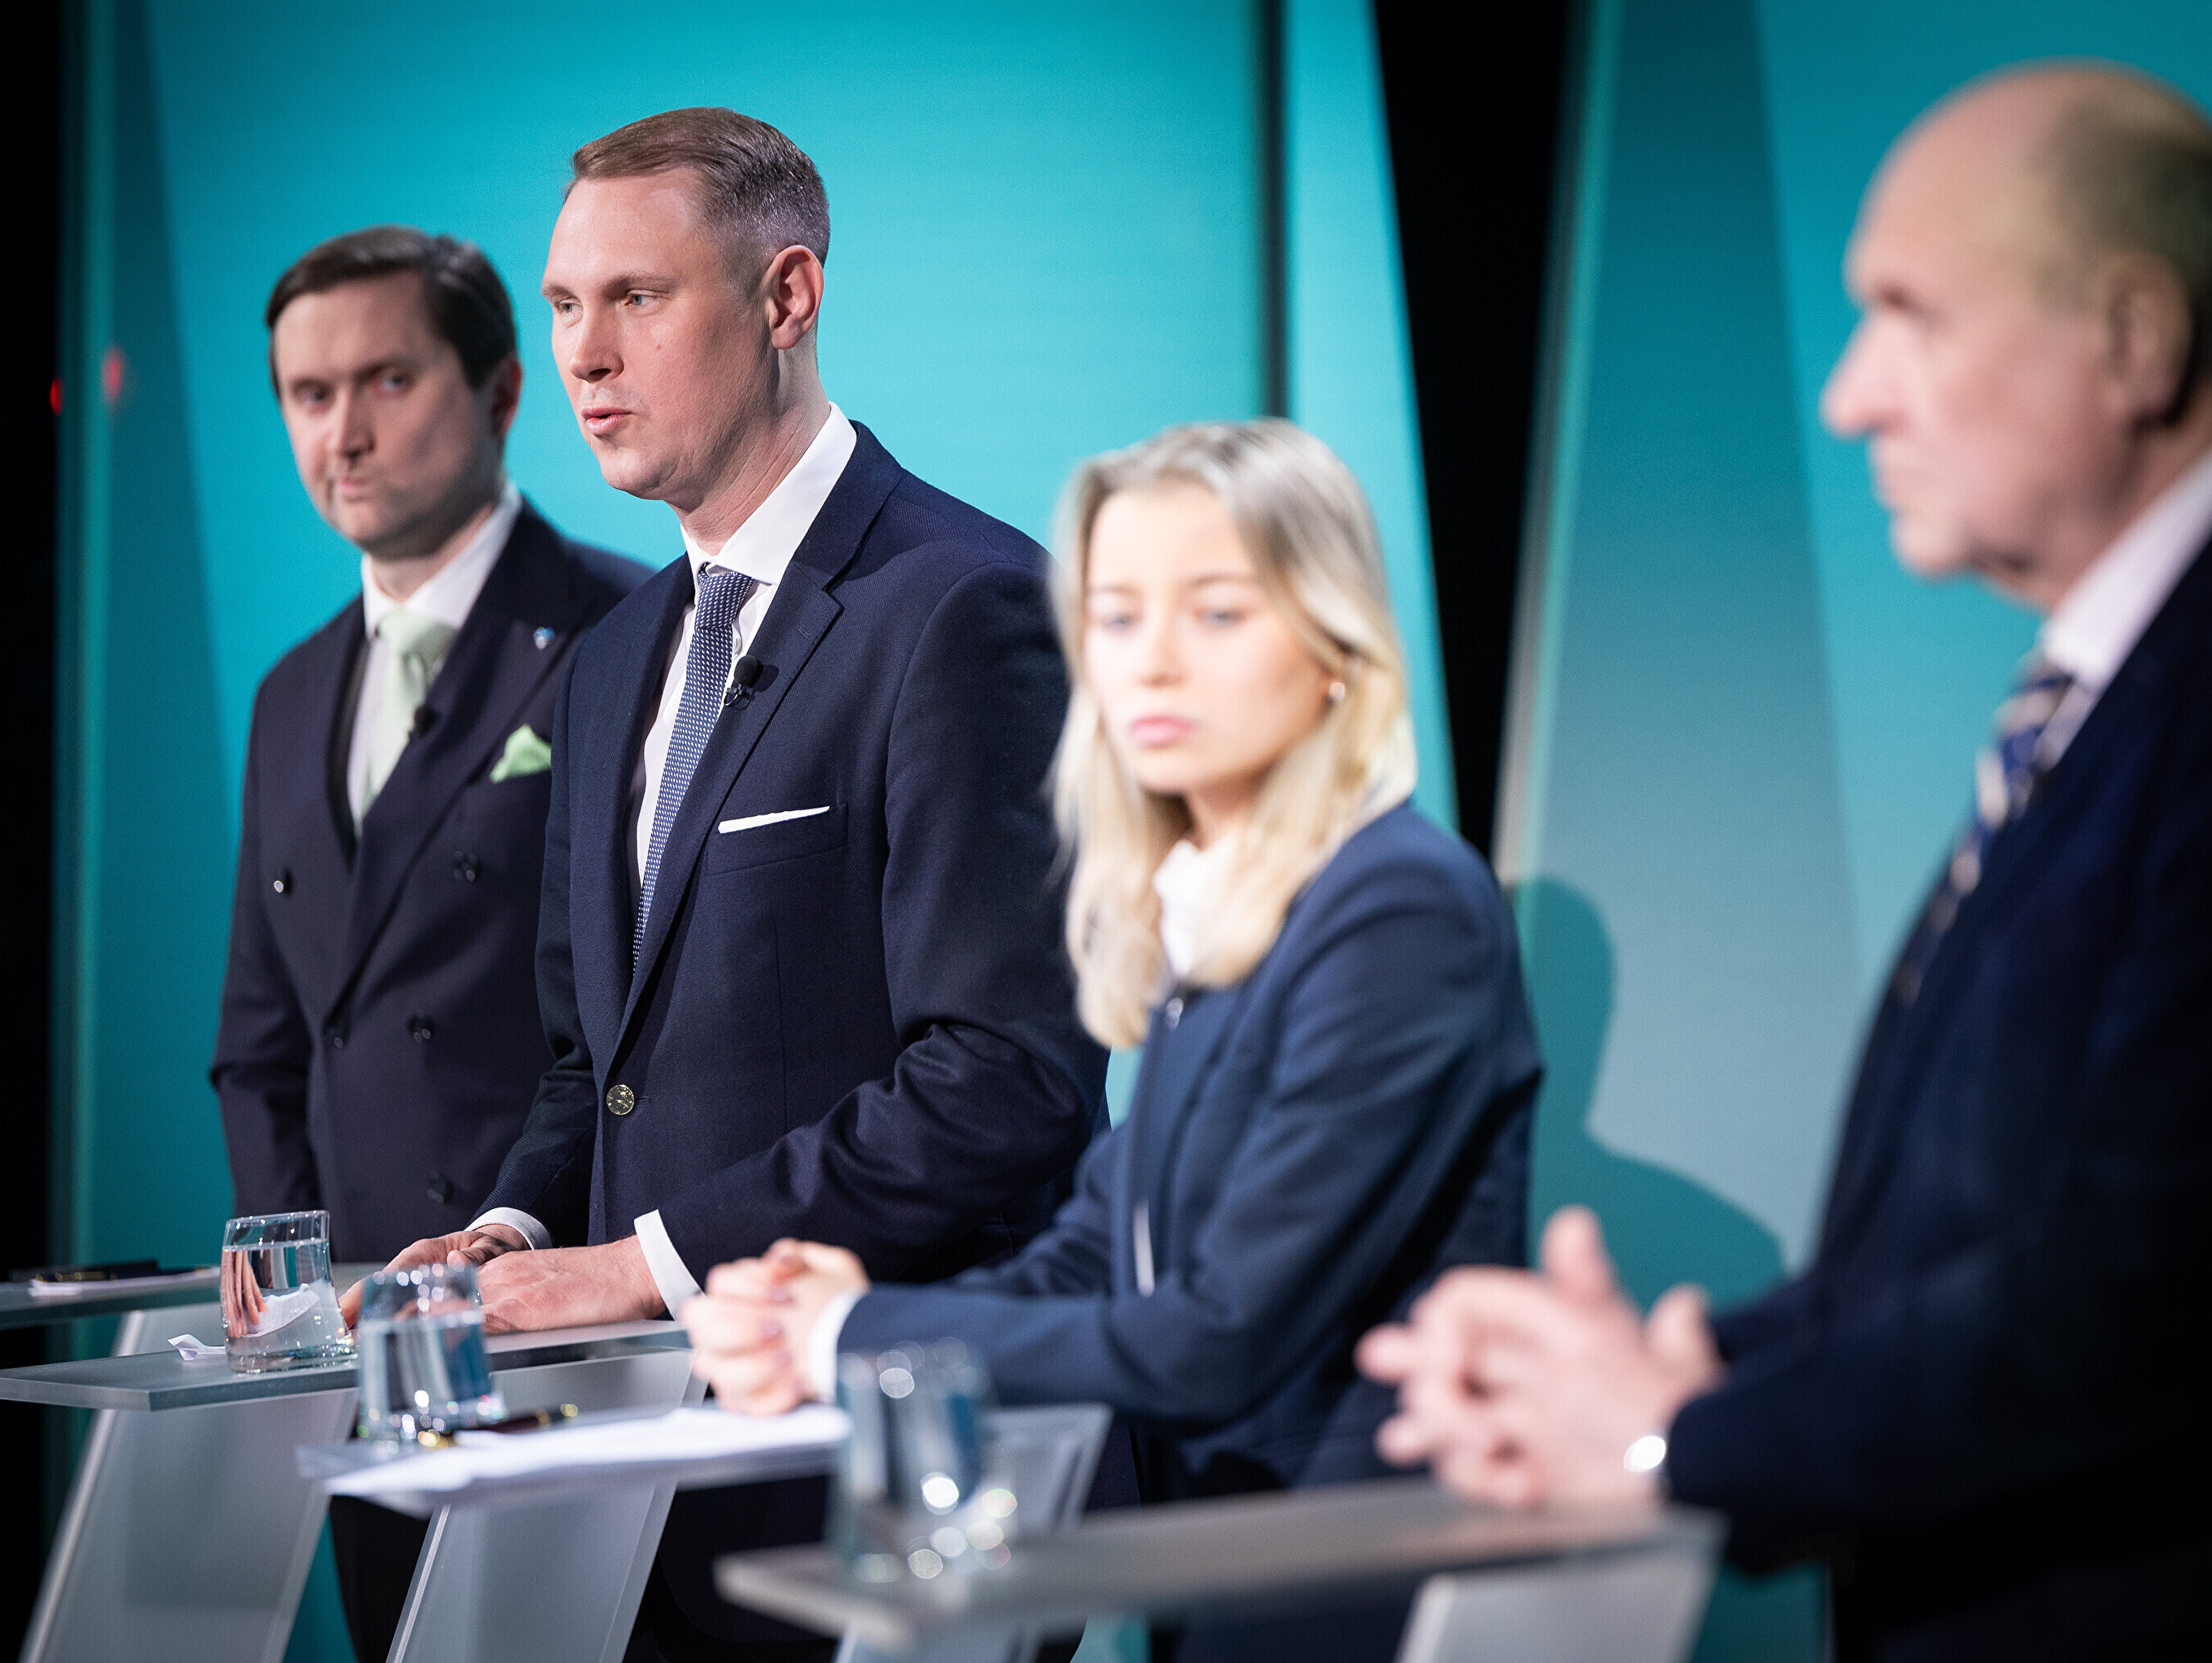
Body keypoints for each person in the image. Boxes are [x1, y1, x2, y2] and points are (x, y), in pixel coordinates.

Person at [1362, 63, 2212, 1661]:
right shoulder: (2098, 708)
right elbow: (1965, 1258)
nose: (1849, 398)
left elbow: (2149, 1291)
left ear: (2134, 339)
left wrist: (1673, 1444)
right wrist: (1680, 1375)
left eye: (1912, 316)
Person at [349, 110, 1108, 1655]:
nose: (585, 355)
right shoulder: (615, 653)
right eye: (567, 306)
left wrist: (641, 1270)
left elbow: (1005, 1077)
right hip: (648, 1482)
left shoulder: (962, 608)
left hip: (886, 1466)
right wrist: (512, 1234)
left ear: (787, 297)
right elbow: (595, 1062)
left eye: (638, 297)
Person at [685, 417, 1541, 1661]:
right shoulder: (1229, 915)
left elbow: (1218, 1333)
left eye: (1217, 613)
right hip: (1232, 1582)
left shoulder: (1395, 906)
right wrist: (845, 1318)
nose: (1155, 664)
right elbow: (1096, 1256)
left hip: (1361, 1597)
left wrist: (847, 1337)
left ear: (1335, 648)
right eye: (1120, 617)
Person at [210, 225, 646, 1660]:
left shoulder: (627, 630)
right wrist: (302, 1308)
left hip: (558, 1330)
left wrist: (529, 1262)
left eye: (386, 381)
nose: (342, 432)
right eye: (308, 394)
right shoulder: (290, 694)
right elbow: (263, 1041)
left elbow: (632, 1024)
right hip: (366, 1352)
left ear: (503, 389)